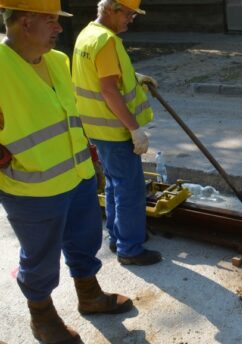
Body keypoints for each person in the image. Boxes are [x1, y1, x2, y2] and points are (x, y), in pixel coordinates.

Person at [0, 1, 133, 342]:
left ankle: (90, 295)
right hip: (33, 189)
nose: (59, 28)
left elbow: (70, 118)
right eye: (52, 21)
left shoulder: (58, 61)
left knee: (85, 240)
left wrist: (91, 160)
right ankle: (42, 318)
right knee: (41, 258)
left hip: (77, 176)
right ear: (25, 22)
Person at [72, 0, 161, 265]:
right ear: (112, 10)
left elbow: (101, 76)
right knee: (130, 190)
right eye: (130, 14)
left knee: (114, 184)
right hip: (114, 129)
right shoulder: (107, 42)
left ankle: (117, 235)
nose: (132, 19)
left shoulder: (88, 34)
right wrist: (134, 129)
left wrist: (134, 76)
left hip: (96, 127)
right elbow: (109, 89)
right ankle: (130, 249)